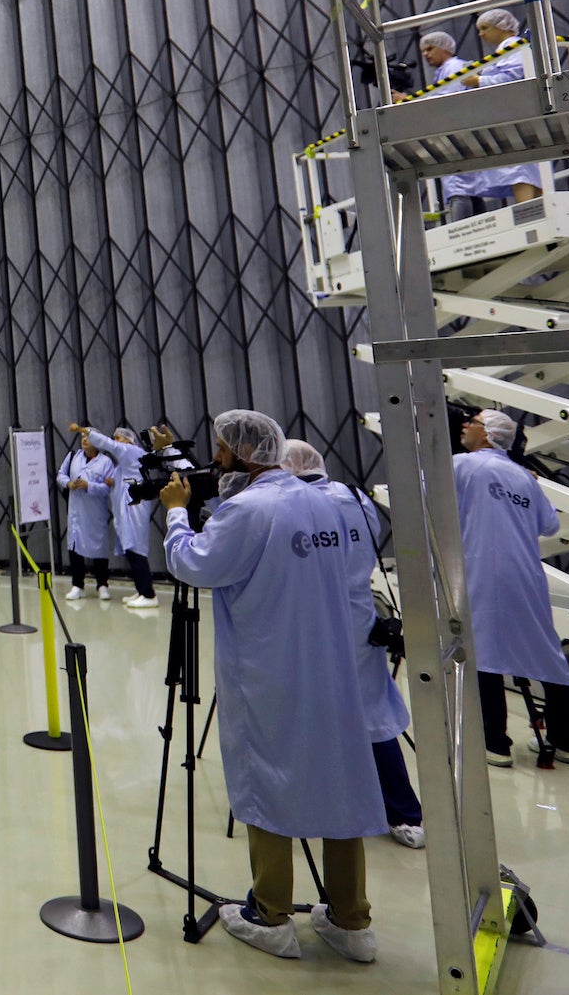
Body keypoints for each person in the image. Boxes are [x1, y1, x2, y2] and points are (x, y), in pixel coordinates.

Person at [162, 411, 384, 963]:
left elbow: (195, 564)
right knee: (339, 782)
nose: (215, 460)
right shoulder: (328, 502)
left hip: (272, 670)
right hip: (333, 669)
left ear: (243, 453)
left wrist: (175, 517)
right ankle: (351, 920)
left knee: (268, 781)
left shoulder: (248, 509)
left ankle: (271, 914)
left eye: (220, 450)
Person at [281, 440, 424, 849]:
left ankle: (315, 806)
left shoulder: (292, 504)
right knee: (372, 713)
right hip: (360, 616)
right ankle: (404, 814)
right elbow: (370, 539)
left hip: (309, 620)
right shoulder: (353, 496)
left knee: (306, 712)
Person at [453, 408, 569, 767]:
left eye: (472, 422)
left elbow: (422, 487)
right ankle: (565, 739)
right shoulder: (525, 478)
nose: (465, 425)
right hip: (526, 575)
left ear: (489, 434)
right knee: (545, 652)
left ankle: (495, 742)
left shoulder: (464, 465)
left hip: (483, 569)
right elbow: (550, 525)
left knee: (485, 652)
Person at [432, 8, 544, 215]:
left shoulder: (512, 46)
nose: (481, 34)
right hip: (513, 113)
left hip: (513, 115)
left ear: (501, 27)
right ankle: (535, 211)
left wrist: (479, 80)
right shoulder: (506, 49)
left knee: (519, 168)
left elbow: (514, 77)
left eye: (485, 28)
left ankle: (528, 213)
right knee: (526, 169)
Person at [76, 423, 165, 609]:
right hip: (127, 511)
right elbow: (121, 481)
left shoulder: (131, 451)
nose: (116, 440)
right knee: (131, 550)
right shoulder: (124, 462)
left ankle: (149, 595)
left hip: (134, 510)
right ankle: (141, 590)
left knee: (136, 551)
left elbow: (110, 445)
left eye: (119, 437)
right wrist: (112, 481)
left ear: (127, 439)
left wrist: (86, 432)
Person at [55, 431, 116, 600]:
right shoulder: (73, 456)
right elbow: (61, 474)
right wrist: (69, 483)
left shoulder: (106, 462)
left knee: (99, 548)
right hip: (76, 510)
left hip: (95, 512)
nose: (84, 440)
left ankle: (102, 585)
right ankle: (77, 585)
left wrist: (89, 485)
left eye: (88, 438)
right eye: (82, 437)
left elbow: (108, 488)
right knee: (75, 547)